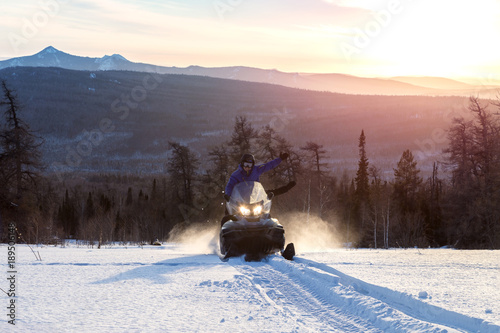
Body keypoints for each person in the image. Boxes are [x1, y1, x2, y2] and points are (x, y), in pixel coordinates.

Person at [224, 152, 289, 201]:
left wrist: (280, 159)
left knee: (264, 213)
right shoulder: (236, 175)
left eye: (249, 165)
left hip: (255, 197)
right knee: (229, 212)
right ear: (242, 163)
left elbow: (269, 165)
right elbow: (230, 185)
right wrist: (228, 195)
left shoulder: (256, 170)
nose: (247, 167)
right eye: (245, 164)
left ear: (252, 165)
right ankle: (227, 217)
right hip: (240, 199)